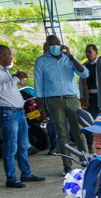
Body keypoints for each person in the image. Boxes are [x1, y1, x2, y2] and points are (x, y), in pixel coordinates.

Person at [0, 45, 44, 188]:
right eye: (9, 55)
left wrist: (14, 77)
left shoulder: (4, 70)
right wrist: (16, 78)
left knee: (23, 145)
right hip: (8, 113)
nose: (11, 57)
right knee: (10, 147)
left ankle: (26, 173)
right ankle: (11, 178)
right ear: (1, 56)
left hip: (18, 112)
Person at [34, 35, 89, 173]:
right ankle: (67, 166)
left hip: (72, 99)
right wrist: (41, 109)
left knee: (79, 131)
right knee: (61, 134)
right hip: (54, 100)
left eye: (57, 42)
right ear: (47, 46)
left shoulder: (69, 59)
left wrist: (71, 57)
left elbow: (84, 73)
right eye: (52, 43)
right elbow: (38, 86)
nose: (55, 45)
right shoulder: (41, 61)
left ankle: (86, 161)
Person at [80, 44, 101, 118]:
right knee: (92, 118)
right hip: (90, 97)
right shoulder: (84, 66)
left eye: (90, 52)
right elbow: (81, 83)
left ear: (96, 53)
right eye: (86, 52)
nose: (87, 54)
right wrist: (82, 98)